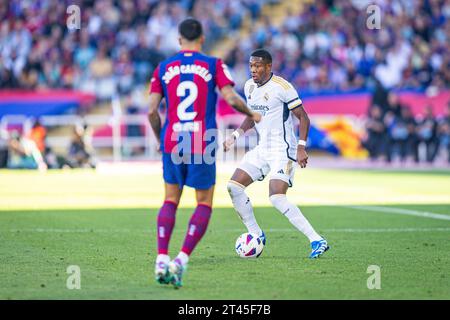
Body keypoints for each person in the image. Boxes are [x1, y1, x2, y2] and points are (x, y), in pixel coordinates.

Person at [148, 18, 261, 288]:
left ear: (179, 40)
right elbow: (232, 98)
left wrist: (159, 138)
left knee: (171, 200)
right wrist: (252, 113)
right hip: (202, 141)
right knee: (203, 203)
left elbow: (152, 110)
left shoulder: (164, 68)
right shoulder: (213, 64)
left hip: (173, 141)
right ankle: (181, 260)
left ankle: (161, 258)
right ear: (202, 39)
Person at [223, 49, 329, 259]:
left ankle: (317, 240)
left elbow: (303, 117)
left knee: (277, 197)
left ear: (269, 67)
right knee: (233, 187)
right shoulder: (249, 86)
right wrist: (235, 136)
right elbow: (252, 117)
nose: (253, 70)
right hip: (263, 149)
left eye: (258, 66)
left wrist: (300, 147)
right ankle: (256, 234)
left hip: (284, 150)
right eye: (251, 66)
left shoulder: (283, 87)